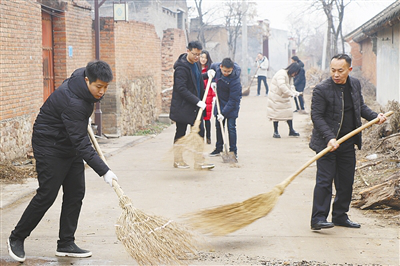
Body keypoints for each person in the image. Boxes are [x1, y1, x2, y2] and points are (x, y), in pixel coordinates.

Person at [7, 60, 119, 262]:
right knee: (47, 194)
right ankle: (16, 237)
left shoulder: (82, 81)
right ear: (87, 80)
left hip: (68, 141)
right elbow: (83, 144)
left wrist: (81, 119)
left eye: (105, 87)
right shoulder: (73, 102)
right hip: (49, 144)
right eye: (98, 87)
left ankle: (66, 243)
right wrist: (104, 170)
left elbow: (77, 137)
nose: (102, 92)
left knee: (76, 192)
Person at [309, 54, 387, 230]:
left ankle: (340, 216)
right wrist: (330, 138)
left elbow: (360, 107)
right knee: (324, 181)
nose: (336, 74)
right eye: (333, 70)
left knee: (346, 181)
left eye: (340, 71)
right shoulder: (322, 89)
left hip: (347, 142)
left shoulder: (354, 85)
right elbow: (317, 116)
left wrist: (375, 116)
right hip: (326, 143)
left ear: (349, 70)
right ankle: (318, 218)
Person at [169, 41, 215, 170]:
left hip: (195, 108)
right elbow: (181, 88)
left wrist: (207, 75)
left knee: (200, 133)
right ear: (188, 51)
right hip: (183, 107)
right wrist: (197, 101)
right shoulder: (181, 68)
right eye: (194, 54)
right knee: (181, 134)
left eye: (199, 54)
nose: (197, 57)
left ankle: (199, 161)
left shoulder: (196, 64)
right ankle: (178, 160)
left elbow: (196, 78)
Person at [209, 58, 242, 159]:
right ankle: (218, 148)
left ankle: (233, 151)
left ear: (232, 69)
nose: (226, 73)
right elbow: (212, 67)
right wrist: (212, 79)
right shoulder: (216, 66)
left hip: (232, 105)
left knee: (231, 127)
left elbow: (233, 100)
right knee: (219, 126)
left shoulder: (235, 80)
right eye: (224, 71)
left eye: (229, 71)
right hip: (219, 102)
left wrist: (222, 114)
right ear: (221, 67)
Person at [266, 62, 302, 138]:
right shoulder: (281, 74)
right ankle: (275, 131)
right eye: (295, 72)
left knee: (289, 113)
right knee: (276, 114)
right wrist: (290, 94)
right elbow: (282, 86)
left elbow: (291, 86)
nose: (295, 75)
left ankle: (291, 130)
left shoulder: (289, 76)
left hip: (284, 96)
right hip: (276, 96)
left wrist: (296, 93)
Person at [198, 50, 216, 145]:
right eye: (201, 57)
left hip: (208, 95)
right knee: (199, 117)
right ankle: (200, 138)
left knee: (207, 117)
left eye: (205, 57)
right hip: (198, 95)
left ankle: (208, 137)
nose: (203, 59)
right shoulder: (196, 68)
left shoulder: (210, 69)